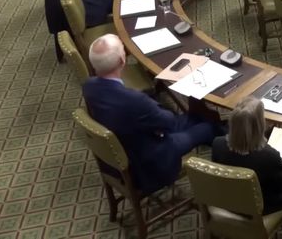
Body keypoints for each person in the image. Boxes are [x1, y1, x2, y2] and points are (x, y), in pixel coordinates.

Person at [82, 35, 218, 195]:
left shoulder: (88, 87)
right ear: (122, 60)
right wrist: (151, 109)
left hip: (124, 148)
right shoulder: (134, 101)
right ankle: (230, 155)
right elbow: (169, 123)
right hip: (150, 162)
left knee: (193, 118)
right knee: (208, 127)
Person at [211, 96, 282, 215]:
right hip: (260, 207)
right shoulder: (269, 156)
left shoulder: (217, 144)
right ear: (259, 125)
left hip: (229, 201)